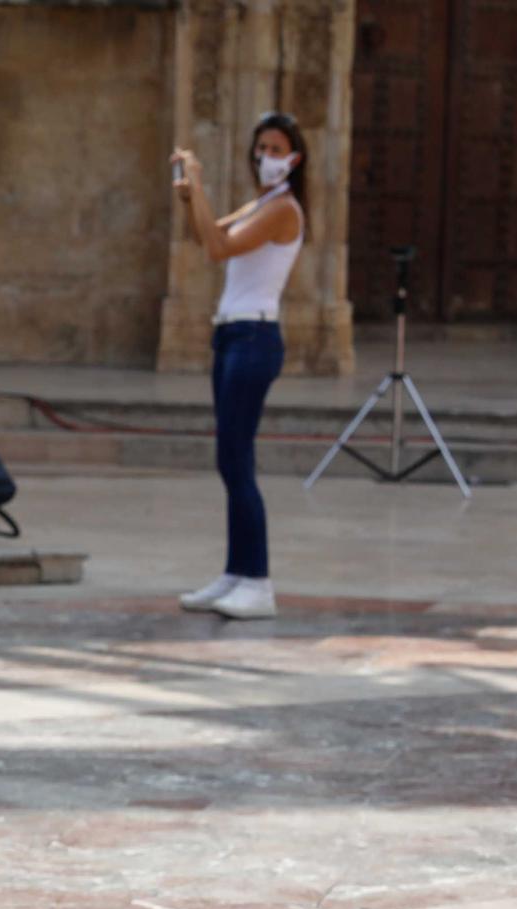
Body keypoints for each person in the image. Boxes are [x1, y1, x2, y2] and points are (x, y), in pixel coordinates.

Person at [171, 111, 307, 622]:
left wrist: (201, 186)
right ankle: (236, 571)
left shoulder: (284, 209)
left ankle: (259, 580)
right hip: (231, 332)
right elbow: (208, 230)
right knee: (230, 460)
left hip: (255, 335)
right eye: (260, 148)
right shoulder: (263, 203)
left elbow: (217, 247)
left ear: (294, 157)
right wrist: (191, 195)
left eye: (275, 148)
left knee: (237, 459)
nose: (265, 157)